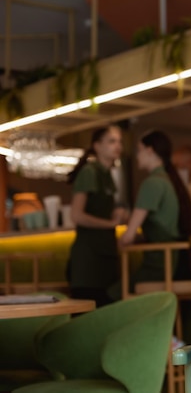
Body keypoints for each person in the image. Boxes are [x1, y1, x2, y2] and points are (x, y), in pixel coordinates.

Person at [108, 130, 191, 300]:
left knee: (111, 295)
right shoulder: (168, 180)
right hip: (177, 264)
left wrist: (117, 241)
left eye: (139, 150)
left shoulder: (152, 183)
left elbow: (128, 237)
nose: (137, 156)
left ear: (150, 151)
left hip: (161, 266)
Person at [67, 125, 127, 307]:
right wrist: (110, 223)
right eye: (111, 141)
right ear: (97, 146)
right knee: (88, 317)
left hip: (106, 255)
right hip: (88, 260)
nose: (117, 145)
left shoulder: (108, 174)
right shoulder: (90, 172)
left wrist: (118, 214)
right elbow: (76, 215)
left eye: (119, 141)